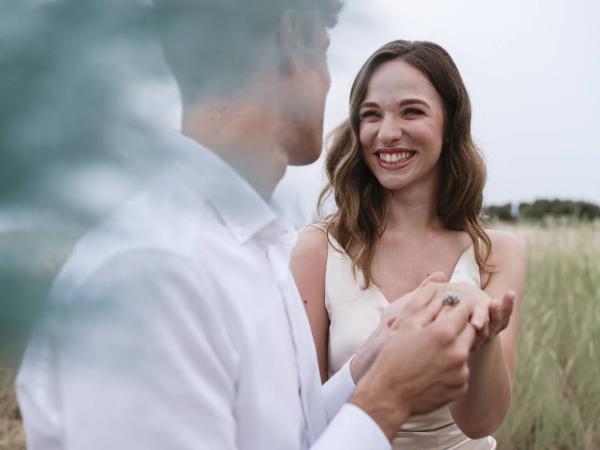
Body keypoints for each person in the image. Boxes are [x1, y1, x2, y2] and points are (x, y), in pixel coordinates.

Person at [17, 4, 514, 450]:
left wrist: (378, 352)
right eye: (324, 49)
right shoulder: (154, 271)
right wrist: (387, 399)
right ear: (293, 34)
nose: (325, 84)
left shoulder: (257, 247)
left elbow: (291, 432)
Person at [291, 40, 527, 449]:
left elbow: (481, 421)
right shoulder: (317, 249)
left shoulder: (497, 253)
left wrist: (481, 340)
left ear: (450, 122)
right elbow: (300, 417)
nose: (387, 133)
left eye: (411, 111)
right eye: (371, 115)